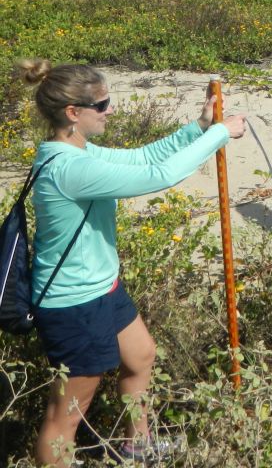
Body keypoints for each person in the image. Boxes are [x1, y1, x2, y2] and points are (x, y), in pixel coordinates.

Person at [15, 60, 247, 468]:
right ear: (73, 113)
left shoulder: (77, 151)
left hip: (103, 288)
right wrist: (220, 135)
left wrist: (198, 128)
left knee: (140, 356)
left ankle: (137, 448)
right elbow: (158, 175)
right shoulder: (70, 169)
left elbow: (142, 157)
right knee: (66, 415)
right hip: (73, 305)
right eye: (102, 105)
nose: (111, 111)